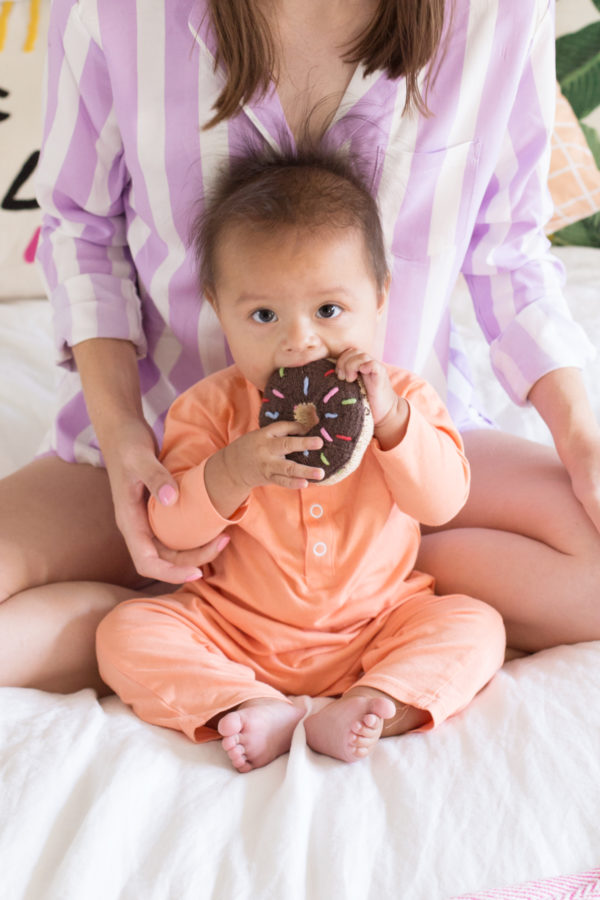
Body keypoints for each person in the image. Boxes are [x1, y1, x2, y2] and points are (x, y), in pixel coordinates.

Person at [1, 0, 599, 695]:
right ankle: (200, 616)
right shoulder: (113, 12)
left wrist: (583, 440)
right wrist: (128, 445)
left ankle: (364, 597)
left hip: (398, 457)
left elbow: (509, 252)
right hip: (173, 446)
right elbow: (83, 232)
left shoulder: (501, 12)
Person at [96, 147, 506, 770]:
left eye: (328, 310)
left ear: (379, 296)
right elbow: (170, 531)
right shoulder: (206, 410)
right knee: (124, 634)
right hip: (233, 629)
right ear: (218, 308)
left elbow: (443, 503)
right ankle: (246, 701)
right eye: (264, 315)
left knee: (477, 625)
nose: (300, 339)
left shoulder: (405, 398)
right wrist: (232, 471)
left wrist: (392, 423)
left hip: (379, 622)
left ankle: (377, 700)